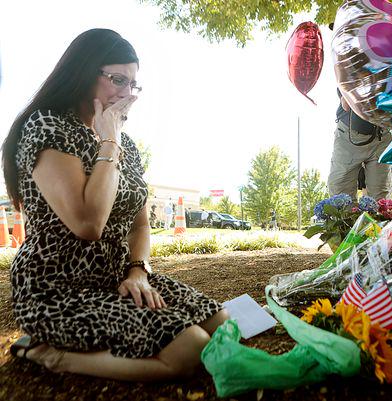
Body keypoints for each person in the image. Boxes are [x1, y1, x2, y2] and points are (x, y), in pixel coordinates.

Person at [2, 29, 228, 381]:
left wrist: (138, 272)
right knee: (191, 347)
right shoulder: (48, 125)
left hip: (116, 278)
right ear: (84, 72)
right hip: (57, 291)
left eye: (133, 84)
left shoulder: (127, 145)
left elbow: (140, 225)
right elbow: (88, 223)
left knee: (221, 323)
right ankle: (52, 355)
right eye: (118, 80)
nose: (127, 94)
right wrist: (108, 143)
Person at [327, 89, 392, 200]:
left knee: (380, 198)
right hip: (348, 136)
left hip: (381, 134)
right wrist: (345, 94)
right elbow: (345, 104)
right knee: (341, 195)